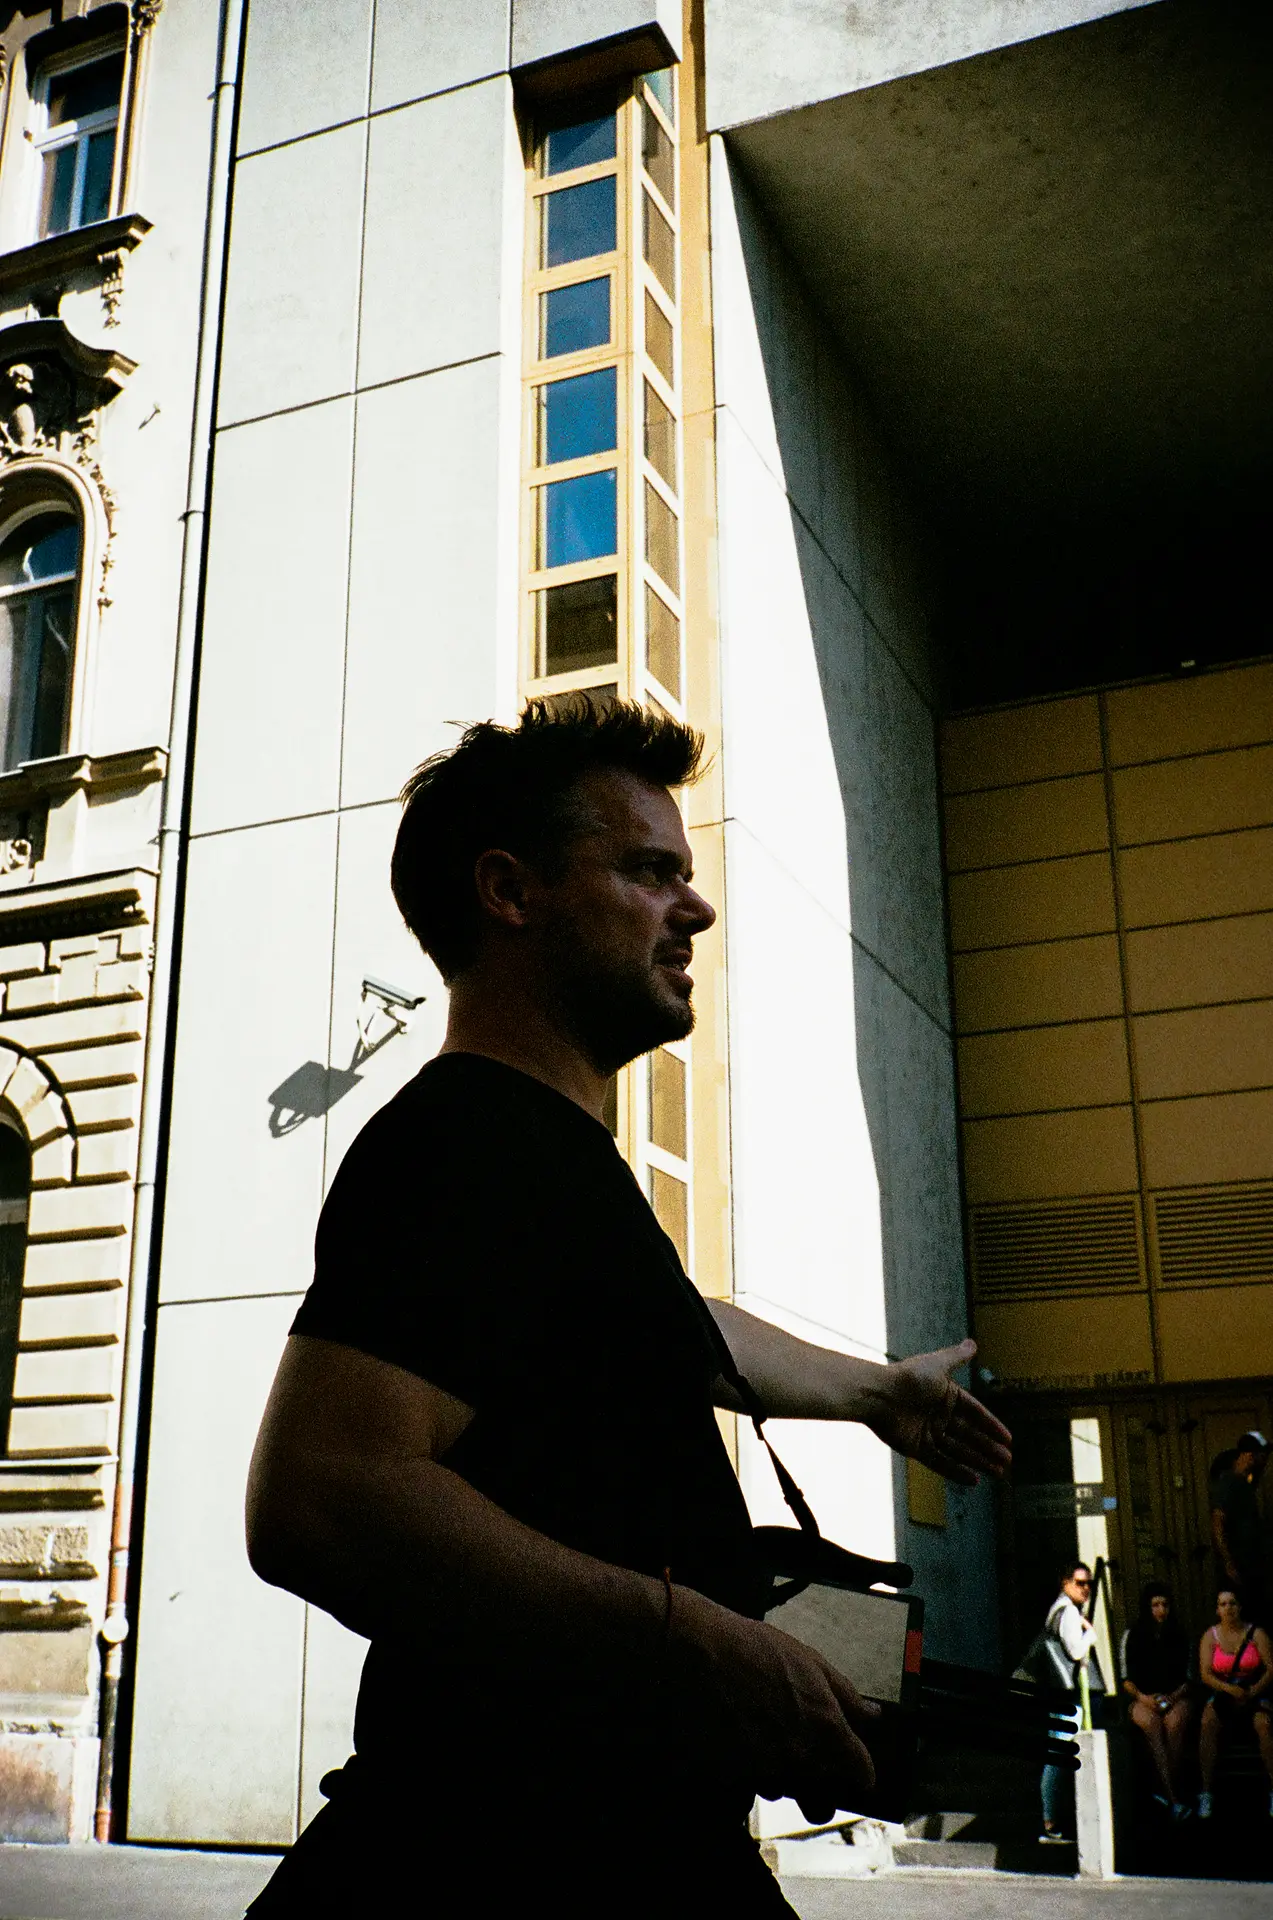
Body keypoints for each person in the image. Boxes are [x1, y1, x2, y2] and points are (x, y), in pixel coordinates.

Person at [243, 699, 1012, 1915]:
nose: (694, 909)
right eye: (649, 872)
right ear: (510, 891)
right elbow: (318, 1497)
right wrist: (695, 1643)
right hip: (501, 1862)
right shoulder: (461, 1143)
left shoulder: (551, 1165)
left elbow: (682, 1327)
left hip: (628, 1845)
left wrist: (874, 1394)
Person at [1197, 1585, 1273, 1819]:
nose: (1228, 1608)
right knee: (1208, 1723)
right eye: (1223, 1604)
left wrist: (1253, 1690)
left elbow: (1271, 1668)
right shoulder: (1211, 1636)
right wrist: (1229, 1689)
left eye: (1232, 1603)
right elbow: (1205, 1673)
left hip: (1253, 1690)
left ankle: (1272, 1790)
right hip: (1225, 1691)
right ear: (1217, 1610)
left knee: (1265, 1725)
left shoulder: (1257, 1634)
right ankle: (1206, 1792)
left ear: (1240, 1607)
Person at [1039, 1561, 1101, 1843]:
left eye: (1088, 1583)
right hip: (1067, 1695)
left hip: (1060, 1693)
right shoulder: (1067, 1613)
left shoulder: (1062, 1610)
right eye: (1079, 1583)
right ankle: (1050, 1821)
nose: (1085, 1588)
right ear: (1065, 1583)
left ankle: (1053, 1819)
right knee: (1060, 1753)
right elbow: (1076, 1651)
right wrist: (1091, 1633)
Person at [1121, 1582, 1192, 1819]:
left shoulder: (1180, 1635)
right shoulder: (1132, 1636)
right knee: (1151, 1724)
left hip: (1175, 1696)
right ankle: (1172, 1797)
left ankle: (1165, 1790)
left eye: (1165, 1604)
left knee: (1174, 1724)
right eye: (1155, 1605)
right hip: (1142, 1698)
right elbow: (1125, 1679)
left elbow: (1188, 1678)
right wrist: (1144, 1697)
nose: (1161, 1610)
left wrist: (1172, 1697)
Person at [1210, 1434, 1269, 1625]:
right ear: (1250, 1455)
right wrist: (1228, 1561)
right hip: (1239, 1569)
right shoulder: (1229, 1483)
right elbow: (1218, 1521)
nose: (1264, 1461)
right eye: (1261, 1455)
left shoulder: (1246, 1484)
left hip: (1251, 1566)